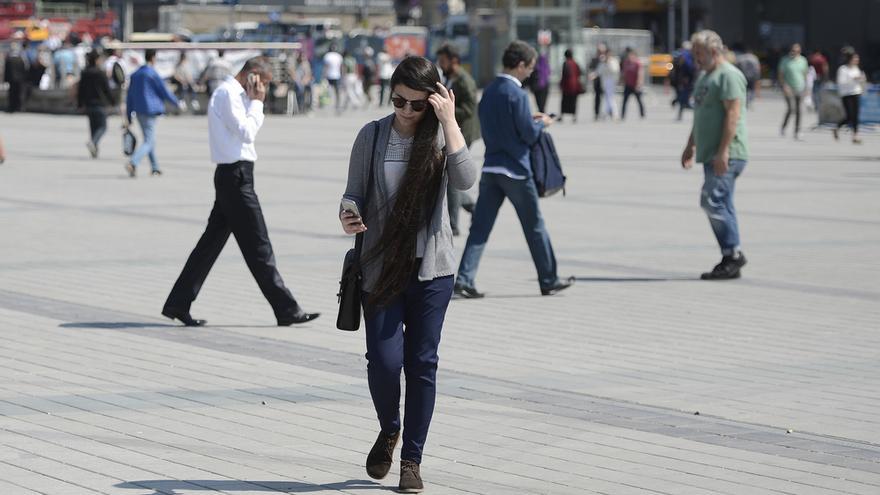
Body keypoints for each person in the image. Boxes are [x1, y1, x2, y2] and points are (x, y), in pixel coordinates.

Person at [339, 56, 476, 493]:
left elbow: (466, 180)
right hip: (380, 265)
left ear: (432, 100)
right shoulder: (372, 135)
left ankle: (412, 461)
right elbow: (352, 193)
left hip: (432, 268)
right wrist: (348, 213)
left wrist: (450, 122)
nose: (405, 111)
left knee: (422, 364)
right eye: (398, 100)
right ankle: (389, 428)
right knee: (383, 361)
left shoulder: (438, 136)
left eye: (416, 104)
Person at [164, 57, 320, 328]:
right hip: (235, 177)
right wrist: (257, 101)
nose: (265, 90)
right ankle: (287, 309)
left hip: (236, 175)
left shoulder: (238, 95)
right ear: (253, 76)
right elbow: (247, 133)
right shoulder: (228, 94)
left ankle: (178, 303)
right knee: (258, 245)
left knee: (209, 246)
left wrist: (253, 101)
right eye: (265, 83)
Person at [455, 41, 574, 298]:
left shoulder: (489, 91)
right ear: (520, 65)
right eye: (530, 67)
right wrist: (543, 124)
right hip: (517, 171)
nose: (531, 72)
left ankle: (464, 279)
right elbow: (529, 135)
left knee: (480, 228)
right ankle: (549, 278)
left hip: (492, 169)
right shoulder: (517, 94)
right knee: (534, 227)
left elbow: (496, 126)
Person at [680, 30, 750, 280]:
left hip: (728, 154)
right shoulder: (706, 77)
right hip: (710, 153)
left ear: (713, 51)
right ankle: (731, 255)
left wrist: (723, 152)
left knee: (713, 200)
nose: (695, 59)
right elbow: (701, 116)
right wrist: (690, 145)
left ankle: (732, 254)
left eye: (698, 54)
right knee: (722, 202)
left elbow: (733, 116)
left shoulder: (729, 76)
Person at [436, 43, 480, 237]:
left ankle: (453, 224)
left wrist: (447, 110)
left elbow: (470, 108)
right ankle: (472, 206)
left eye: (443, 61)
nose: (440, 64)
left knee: (453, 179)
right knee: (449, 178)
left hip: (463, 134)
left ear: (454, 60)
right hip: (453, 131)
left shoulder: (464, 80)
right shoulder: (449, 78)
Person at [124, 49, 179, 177]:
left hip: (138, 110)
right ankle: (133, 163)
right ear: (153, 58)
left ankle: (155, 167)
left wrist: (128, 114)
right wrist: (175, 102)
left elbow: (130, 96)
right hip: (151, 110)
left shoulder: (135, 74)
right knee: (149, 141)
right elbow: (163, 90)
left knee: (148, 139)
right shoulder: (152, 73)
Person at [77, 50, 115, 158]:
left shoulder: (85, 72)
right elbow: (106, 89)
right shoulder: (100, 73)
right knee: (102, 127)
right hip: (100, 103)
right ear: (97, 60)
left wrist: (80, 104)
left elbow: (81, 90)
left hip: (89, 104)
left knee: (93, 128)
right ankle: (93, 142)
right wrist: (112, 101)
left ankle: (94, 150)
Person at [834, 49, 866, 145]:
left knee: (856, 115)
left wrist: (862, 80)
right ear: (850, 59)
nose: (857, 60)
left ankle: (855, 136)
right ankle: (837, 127)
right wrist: (853, 79)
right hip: (846, 94)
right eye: (855, 58)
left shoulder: (856, 69)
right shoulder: (843, 69)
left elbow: (861, 80)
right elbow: (841, 82)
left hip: (856, 92)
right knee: (850, 116)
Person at [778, 43, 808, 140]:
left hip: (799, 87)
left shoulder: (803, 60)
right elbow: (781, 74)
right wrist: (784, 85)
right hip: (788, 87)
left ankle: (797, 131)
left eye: (797, 51)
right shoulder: (785, 60)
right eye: (793, 50)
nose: (795, 52)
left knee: (799, 110)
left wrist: (807, 88)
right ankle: (783, 127)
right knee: (791, 108)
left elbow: (805, 74)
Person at [670, 41, 696, 120]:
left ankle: (678, 104)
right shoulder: (687, 55)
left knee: (683, 95)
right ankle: (679, 103)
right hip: (686, 79)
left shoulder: (679, 54)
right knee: (684, 95)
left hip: (680, 79)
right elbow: (689, 67)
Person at [559, 49, 583, 123]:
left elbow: (564, 74)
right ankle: (574, 116)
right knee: (573, 101)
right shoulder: (576, 63)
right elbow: (580, 72)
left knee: (564, 101)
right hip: (575, 85)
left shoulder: (566, 63)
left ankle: (562, 115)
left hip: (567, 85)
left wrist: (561, 84)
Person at [621, 48, 646, 119]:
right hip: (628, 85)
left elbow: (640, 74)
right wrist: (622, 81)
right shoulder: (626, 63)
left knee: (639, 100)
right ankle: (622, 115)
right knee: (624, 101)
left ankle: (642, 114)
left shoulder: (637, 63)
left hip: (635, 85)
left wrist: (639, 84)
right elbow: (624, 73)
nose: (630, 57)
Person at [3, 42, 28, 113]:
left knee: (12, 94)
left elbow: (6, 70)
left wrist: (5, 79)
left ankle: (12, 107)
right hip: (20, 79)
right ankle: (19, 107)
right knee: (19, 93)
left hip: (12, 79)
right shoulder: (21, 58)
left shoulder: (9, 59)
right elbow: (25, 69)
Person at [597, 48, 620, 119]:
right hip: (605, 81)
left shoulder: (613, 61)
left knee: (610, 97)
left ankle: (615, 113)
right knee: (607, 97)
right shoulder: (603, 61)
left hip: (611, 81)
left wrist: (608, 63)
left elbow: (615, 70)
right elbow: (599, 71)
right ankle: (606, 113)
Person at [588, 44, 607, 120]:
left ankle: (606, 113)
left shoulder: (607, 58)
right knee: (597, 98)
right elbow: (591, 68)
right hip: (597, 81)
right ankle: (597, 113)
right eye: (599, 51)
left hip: (605, 80)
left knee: (607, 98)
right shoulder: (594, 59)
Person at [323, 44, 343, 110]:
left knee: (328, 91)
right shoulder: (339, 56)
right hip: (337, 75)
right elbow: (341, 67)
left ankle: (328, 104)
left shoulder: (327, 56)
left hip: (329, 75)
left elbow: (326, 66)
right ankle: (337, 104)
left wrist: (324, 75)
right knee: (337, 91)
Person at [530, 49, 551, 113]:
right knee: (543, 104)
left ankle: (541, 112)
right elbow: (548, 73)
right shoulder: (546, 66)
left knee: (539, 103)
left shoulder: (536, 66)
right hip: (545, 86)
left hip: (537, 87)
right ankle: (542, 112)